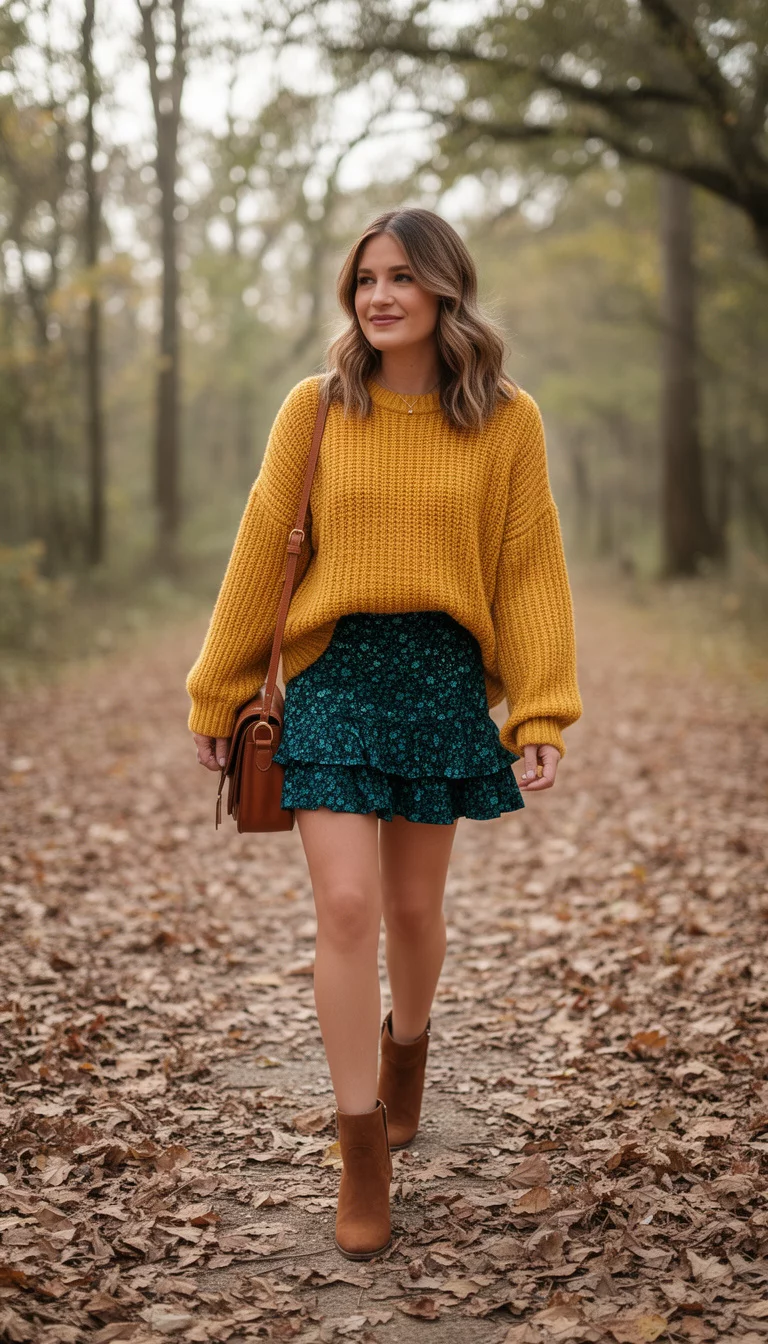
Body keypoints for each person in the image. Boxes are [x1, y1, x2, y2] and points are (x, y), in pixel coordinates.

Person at [186, 206, 583, 1261]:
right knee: (350, 905)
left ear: (447, 289)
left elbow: (530, 565)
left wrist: (539, 705)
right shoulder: (316, 409)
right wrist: (217, 692)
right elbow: (263, 547)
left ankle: (408, 1053)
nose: (379, 295)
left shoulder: (505, 420)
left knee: (415, 908)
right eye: (365, 278)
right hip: (333, 676)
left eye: (402, 276)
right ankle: (362, 1146)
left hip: (441, 679)